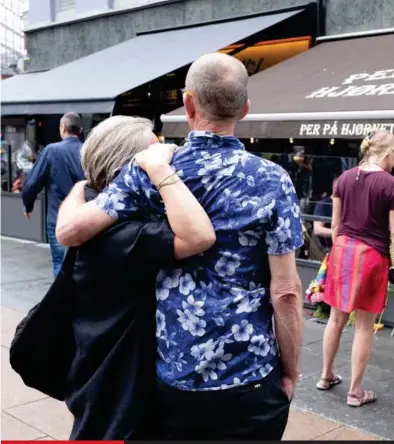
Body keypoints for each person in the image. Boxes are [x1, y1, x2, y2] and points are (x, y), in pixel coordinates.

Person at [54, 53, 303, 440]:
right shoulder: (273, 180)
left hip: (176, 375)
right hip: (251, 375)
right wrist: (289, 371)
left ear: (187, 103)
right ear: (245, 108)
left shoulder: (150, 168)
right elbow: (286, 291)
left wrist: (76, 190)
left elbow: (70, 232)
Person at [60, 116, 215, 439]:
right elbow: (200, 235)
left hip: (94, 366)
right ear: (129, 169)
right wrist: (161, 172)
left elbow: (73, 211)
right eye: (155, 154)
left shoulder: (90, 204)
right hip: (123, 383)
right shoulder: (129, 234)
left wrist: (77, 187)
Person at [317, 130, 394, 407]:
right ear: (389, 152)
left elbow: (334, 227)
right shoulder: (391, 184)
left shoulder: (344, 179)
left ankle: (325, 376)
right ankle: (355, 392)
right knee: (364, 327)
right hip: (371, 255)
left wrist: (339, 254)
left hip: (342, 250)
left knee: (335, 319)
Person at [21, 113, 85, 277]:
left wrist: (28, 205)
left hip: (59, 219)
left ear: (62, 129)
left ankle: (63, 300)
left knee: (60, 263)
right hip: (86, 217)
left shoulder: (52, 151)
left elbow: (31, 183)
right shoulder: (88, 151)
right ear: (81, 130)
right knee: (84, 264)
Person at [313, 176, 338, 252]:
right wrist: (338, 232)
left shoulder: (348, 203)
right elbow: (317, 230)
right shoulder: (324, 204)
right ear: (334, 187)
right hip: (328, 248)